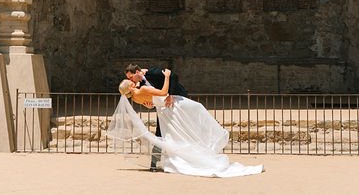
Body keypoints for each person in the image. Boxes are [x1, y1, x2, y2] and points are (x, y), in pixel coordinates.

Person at [110, 66, 263, 177]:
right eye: (129, 80)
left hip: (169, 103)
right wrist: (167, 82)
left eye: (131, 77)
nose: (131, 80)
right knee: (175, 128)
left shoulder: (148, 79)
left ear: (137, 73)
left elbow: (152, 100)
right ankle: (161, 162)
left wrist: (165, 96)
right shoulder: (140, 89)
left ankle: (169, 160)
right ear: (130, 85)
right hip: (167, 107)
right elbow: (161, 92)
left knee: (174, 131)